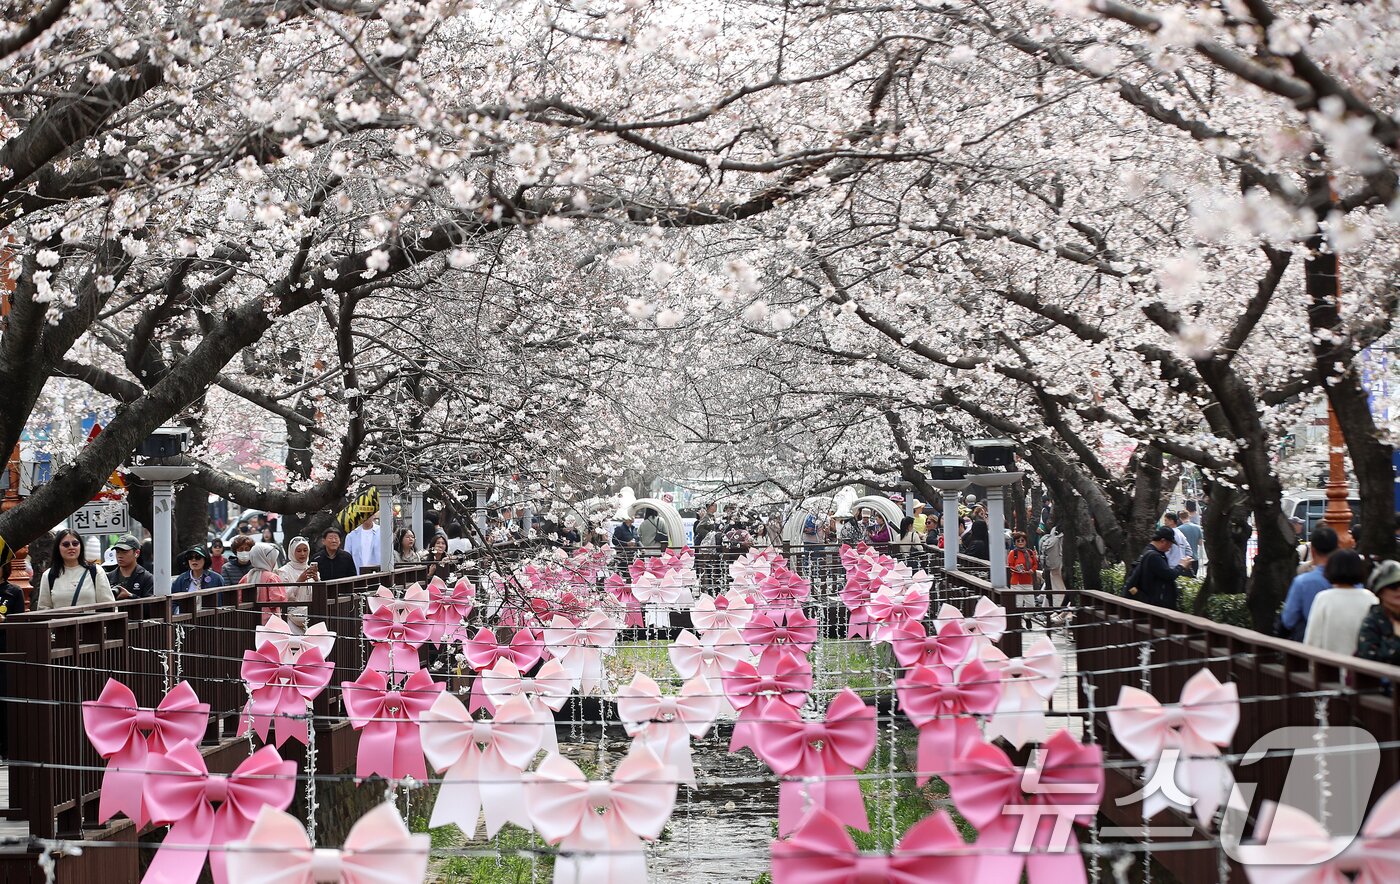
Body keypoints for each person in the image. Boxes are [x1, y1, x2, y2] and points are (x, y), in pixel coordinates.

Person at [1303, 551, 1376, 656]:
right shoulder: (1370, 598)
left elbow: (1313, 639)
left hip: (1330, 667)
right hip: (1363, 668)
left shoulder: (1324, 598)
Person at [1278, 526, 1340, 641]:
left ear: (1312, 550)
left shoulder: (1302, 582)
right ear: (1337, 549)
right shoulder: (1353, 584)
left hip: (1309, 647)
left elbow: (1288, 620)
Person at [35, 529, 114, 609]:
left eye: (75, 544)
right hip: (60, 621)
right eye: (66, 544)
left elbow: (107, 604)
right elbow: (44, 608)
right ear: (58, 548)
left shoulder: (96, 571)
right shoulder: (49, 575)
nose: (71, 547)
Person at [1122, 527, 1195, 610]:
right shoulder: (1154, 556)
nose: (1169, 548)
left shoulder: (1148, 551)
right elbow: (1168, 575)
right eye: (1170, 544)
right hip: (1153, 606)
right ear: (1163, 541)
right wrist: (1181, 565)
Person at [1357, 560, 1400, 666]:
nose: (1399, 589)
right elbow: (1370, 660)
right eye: (1393, 586)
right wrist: (1396, 639)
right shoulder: (1372, 622)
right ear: (1380, 591)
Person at [242, 542, 286, 623]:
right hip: (269, 623)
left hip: (248, 621)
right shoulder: (272, 578)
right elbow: (278, 600)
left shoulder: (246, 577)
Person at [105, 534, 154, 600]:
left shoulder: (147, 578)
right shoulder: (108, 578)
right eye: (118, 552)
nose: (120, 556)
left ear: (137, 553)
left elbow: (150, 606)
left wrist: (130, 596)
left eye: (124, 552)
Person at [1007, 530, 1039, 607]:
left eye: (1022, 540)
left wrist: (1032, 570)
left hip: (1028, 581)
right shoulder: (1013, 553)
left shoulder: (1030, 552)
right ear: (1015, 542)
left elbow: (1035, 564)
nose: (1020, 542)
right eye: (1018, 541)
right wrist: (1016, 569)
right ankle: (1018, 619)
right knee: (1018, 604)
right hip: (1016, 582)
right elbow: (1010, 566)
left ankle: (1027, 618)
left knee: (1031, 605)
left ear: (1025, 541)